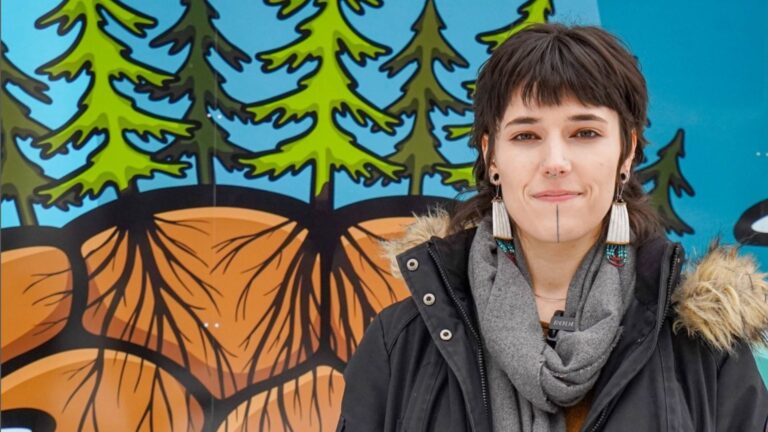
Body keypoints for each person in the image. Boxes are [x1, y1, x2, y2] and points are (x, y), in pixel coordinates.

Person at [335, 23, 768, 432]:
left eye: (584, 133)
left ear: (627, 151)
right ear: (491, 155)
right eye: (526, 136)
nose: (556, 162)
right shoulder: (402, 342)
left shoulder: (705, 349)